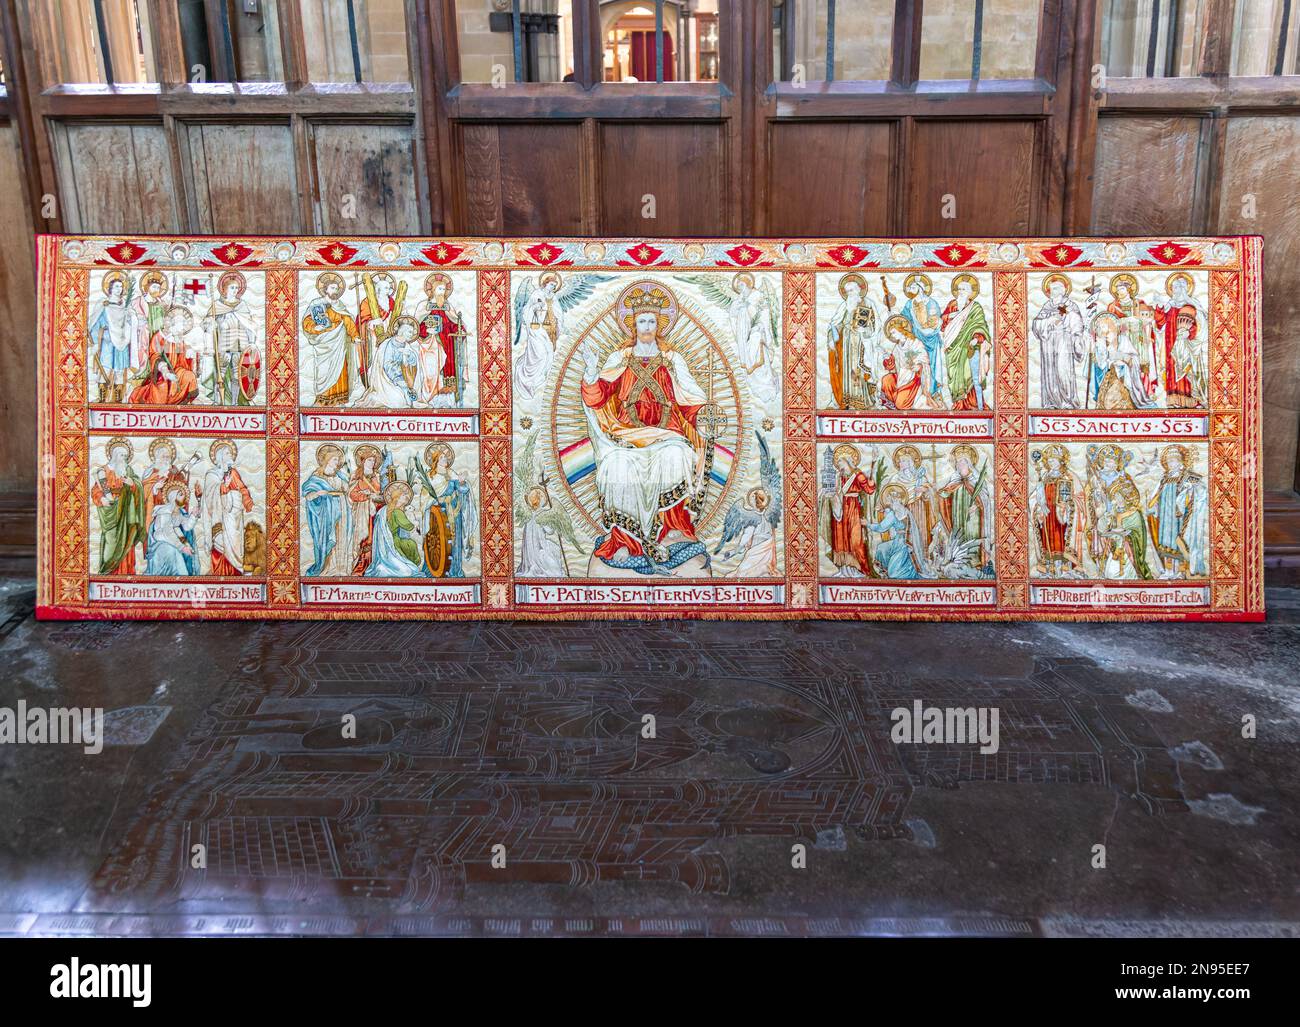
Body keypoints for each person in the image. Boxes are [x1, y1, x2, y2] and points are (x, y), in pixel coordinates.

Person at [301, 444, 351, 577]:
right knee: (330, 538)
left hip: (342, 510)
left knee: (341, 538)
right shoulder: (317, 477)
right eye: (335, 459)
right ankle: (327, 569)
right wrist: (318, 493)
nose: (338, 462)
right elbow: (308, 495)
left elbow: (348, 490)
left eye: (339, 459)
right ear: (328, 459)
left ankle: (341, 568)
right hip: (326, 513)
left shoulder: (341, 475)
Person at [869, 484, 921, 579]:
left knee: (894, 573)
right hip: (902, 540)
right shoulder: (904, 510)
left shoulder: (893, 513)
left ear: (894, 499)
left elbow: (881, 528)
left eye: (889, 498)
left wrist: (868, 524)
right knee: (882, 547)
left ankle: (894, 571)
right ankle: (884, 570)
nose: (888, 500)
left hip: (901, 543)